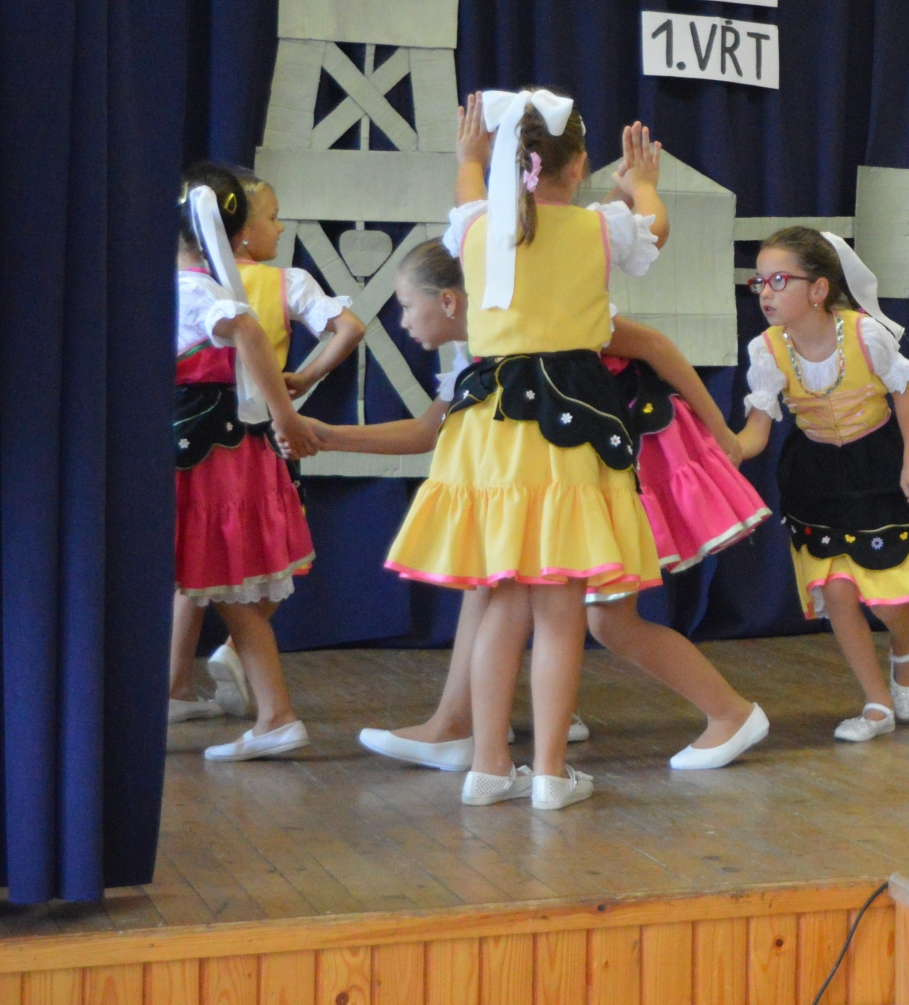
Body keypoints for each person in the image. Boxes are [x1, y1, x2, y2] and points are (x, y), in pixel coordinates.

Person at [314, 240, 770, 772]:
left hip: (614, 460)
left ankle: (730, 713)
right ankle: (461, 725)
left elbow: (654, 345)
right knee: (501, 587)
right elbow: (426, 431)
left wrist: (722, 436)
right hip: (572, 472)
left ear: (449, 301)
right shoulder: (481, 354)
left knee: (605, 620)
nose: (403, 320)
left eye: (406, 305)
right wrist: (327, 435)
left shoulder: (549, 318)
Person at [383, 90, 668, 809]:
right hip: (566, 423)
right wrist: (642, 185)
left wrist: (468, 158)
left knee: (504, 598)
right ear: (578, 165)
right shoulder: (602, 227)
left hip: (490, 427)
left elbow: (468, 188)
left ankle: (487, 766)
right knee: (560, 608)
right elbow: (654, 230)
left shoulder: (475, 225)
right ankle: (548, 773)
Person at [733, 227, 909, 742]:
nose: (766, 292)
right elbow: (757, 429)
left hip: (877, 465)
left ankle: (903, 643)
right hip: (815, 474)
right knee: (837, 591)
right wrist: (725, 449)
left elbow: (903, 392)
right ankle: (876, 703)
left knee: (886, 597)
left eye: (779, 280)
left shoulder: (865, 334)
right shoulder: (766, 349)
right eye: (760, 282)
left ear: (819, 289)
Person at [170, 171, 365, 724]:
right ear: (238, 231)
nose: (280, 228)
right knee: (225, 566)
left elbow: (247, 335)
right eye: (272, 218)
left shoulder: (197, 290)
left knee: (219, 567)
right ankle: (221, 689)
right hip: (246, 437)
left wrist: (284, 411)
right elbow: (349, 328)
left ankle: (261, 709)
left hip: (215, 443)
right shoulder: (275, 283)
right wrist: (299, 383)